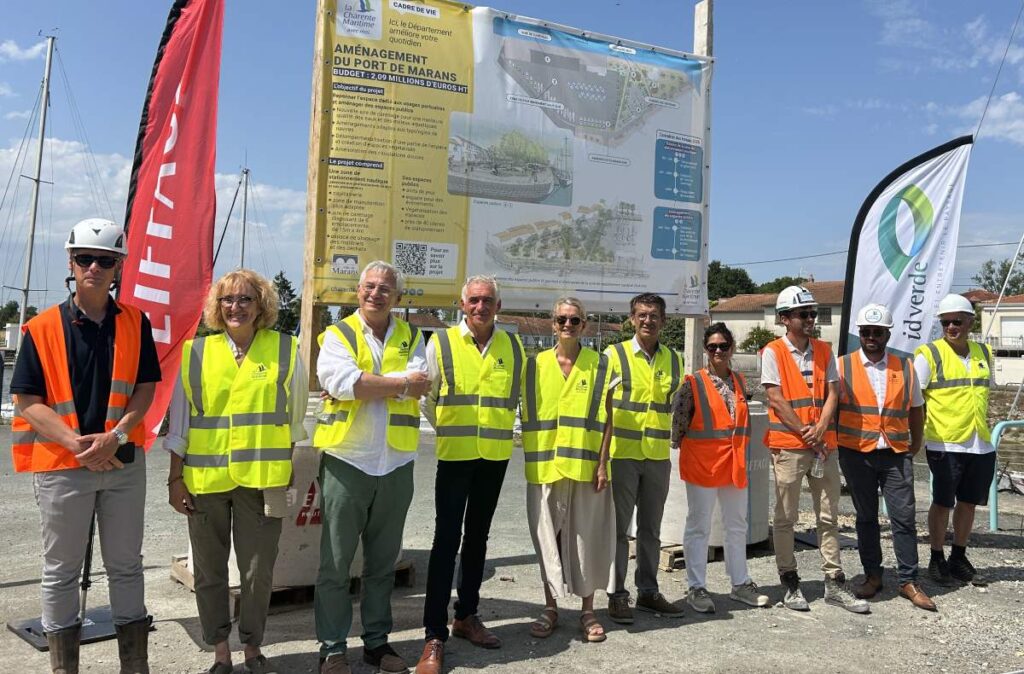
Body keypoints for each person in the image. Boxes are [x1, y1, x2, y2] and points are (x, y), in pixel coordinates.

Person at [10, 219, 159, 674]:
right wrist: (79, 445)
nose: (94, 267)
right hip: (62, 464)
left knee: (126, 566)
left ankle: (135, 666)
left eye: (105, 260)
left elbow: (146, 389)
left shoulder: (135, 322)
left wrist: (114, 437)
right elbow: (27, 401)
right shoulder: (40, 328)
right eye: (85, 258)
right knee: (61, 571)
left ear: (119, 267)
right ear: (71, 262)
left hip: (121, 463)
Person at [165, 269, 308, 674]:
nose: (236, 307)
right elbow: (180, 425)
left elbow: (295, 420)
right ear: (217, 306)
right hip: (205, 482)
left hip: (263, 481)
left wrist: (285, 469)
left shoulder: (285, 349)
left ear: (261, 305)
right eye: (227, 299)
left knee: (258, 572)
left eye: (246, 299)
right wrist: (175, 479)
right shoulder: (195, 352)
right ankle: (220, 651)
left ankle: (253, 646)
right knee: (209, 572)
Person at [314, 261, 430, 674]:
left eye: (385, 289)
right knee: (335, 564)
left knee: (382, 565)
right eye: (369, 286)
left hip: (395, 464)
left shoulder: (413, 335)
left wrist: (370, 383)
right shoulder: (338, 335)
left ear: (397, 297)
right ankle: (332, 649)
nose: (375, 294)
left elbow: (421, 382)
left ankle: (377, 644)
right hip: (347, 460)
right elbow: (344, 383)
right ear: (357, 290)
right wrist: (399, 384)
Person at [416, 275, 525, 674]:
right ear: (462, 305)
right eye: (474, 300)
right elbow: (427, 399)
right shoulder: (442, 343)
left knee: (478, 537)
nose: (481, 306)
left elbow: (516, 399)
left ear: (498, 306)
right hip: (455, 456)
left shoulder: (513, 347)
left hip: (494, 458)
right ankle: (434, 635)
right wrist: (449, 429)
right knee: (446, 540)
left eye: (488, 300)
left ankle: (466, 616)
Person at [762, 285, 867, 613]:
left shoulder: (824, 350)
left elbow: (833, 392)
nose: (811, 318)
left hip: (824, 446)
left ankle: (834, 581)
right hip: (790, 447)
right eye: (803, 314)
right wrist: (807, 433)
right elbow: (775, 397)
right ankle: (790, 581)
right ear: (785, 318)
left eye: (813, 313)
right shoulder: (772, 352)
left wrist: (821, 427)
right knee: (785, 517)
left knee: (828, 515)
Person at [520, 297, 614, 643]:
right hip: (544, 467)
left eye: (575, 320)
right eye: (562, 319)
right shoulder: (534, 365)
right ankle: (550, 607)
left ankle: (588, 610)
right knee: (548, 539)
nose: (568, 325)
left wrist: (602, 463)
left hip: (586, 467)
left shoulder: (600, 365)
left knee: (586, 538)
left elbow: (609, 419)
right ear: (552, 323)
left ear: (585, 325)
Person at [837, 304, 934, 611]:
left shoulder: (905, 367)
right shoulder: (842, 366)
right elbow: (831, 408)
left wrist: (915, 444)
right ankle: (873, 576)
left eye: (877, 332)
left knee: (903, 518)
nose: (871, 337)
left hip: (895, 453)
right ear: (860, 333)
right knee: (866, 517)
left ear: (887, 334)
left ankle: (908, 580)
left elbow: (916, 409)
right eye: (866, 332)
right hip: (856, 453)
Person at [671, 322, 769, 614]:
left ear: (731, 348)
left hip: (733, 465)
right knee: (699, 526)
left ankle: (740, 583)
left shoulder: (739, 381)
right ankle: (696, 587)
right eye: (712, 346)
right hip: (703, 466)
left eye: (723, 346)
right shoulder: (693, 383)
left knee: (737, 525)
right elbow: (678, 426)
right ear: (705, 349)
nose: (718, 351)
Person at [604, 292, 685, 624]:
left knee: (651, 529)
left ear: (663, 321)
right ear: (631, 319)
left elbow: (673, 408)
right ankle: (616, 595)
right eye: (642, 315)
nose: (647, 320)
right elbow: (602, 407)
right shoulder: (613, 355)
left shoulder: (675, 360)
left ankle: (648, 592)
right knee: (618, 530)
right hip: (621, 455)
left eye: (654, 315)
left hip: (656, 457)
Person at [914, 293, 994, 587]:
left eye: (956, 321)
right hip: (945, 443)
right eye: (945, 322)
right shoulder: (929, 354)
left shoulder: (984, 353)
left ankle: (958, 556)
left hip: (980, 442)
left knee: (969, 502)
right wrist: (915, 437)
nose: (950, 327)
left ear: (970, 322)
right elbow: (914, 400)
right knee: (942, 502)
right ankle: (936, 558)